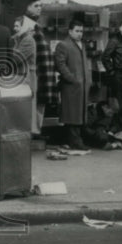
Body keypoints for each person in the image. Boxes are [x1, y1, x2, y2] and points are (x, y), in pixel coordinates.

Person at [54, 17, 92, 150]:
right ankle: (75, 141)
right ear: (70, 31)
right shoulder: (63, 45)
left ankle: (76, 139)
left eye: (81, 31)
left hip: (81, 85)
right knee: (72, 114)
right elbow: (60, 64)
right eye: (77, 31)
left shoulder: (81, 44)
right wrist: (72, 78)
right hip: (72, 86)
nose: (80, 33)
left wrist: (88, 80)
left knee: (79, 113)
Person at [24, 0, 53, 136]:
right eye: (36, 5)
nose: (39, 8)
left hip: (41, 70)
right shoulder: (27, 25)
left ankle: (35, 132)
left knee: (40, 102)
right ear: (27, 7)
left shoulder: (36, 25)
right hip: (34, 72)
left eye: (41, 6)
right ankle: (31, 132)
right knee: (33, 104)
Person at [12, 15, 40, 138]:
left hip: (28, 77)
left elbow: (16, 58)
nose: (14, 28)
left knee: (27, 106)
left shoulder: (28, 40)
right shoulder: (20, 39)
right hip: (23, 76)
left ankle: (27, 134)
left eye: (17, 26)